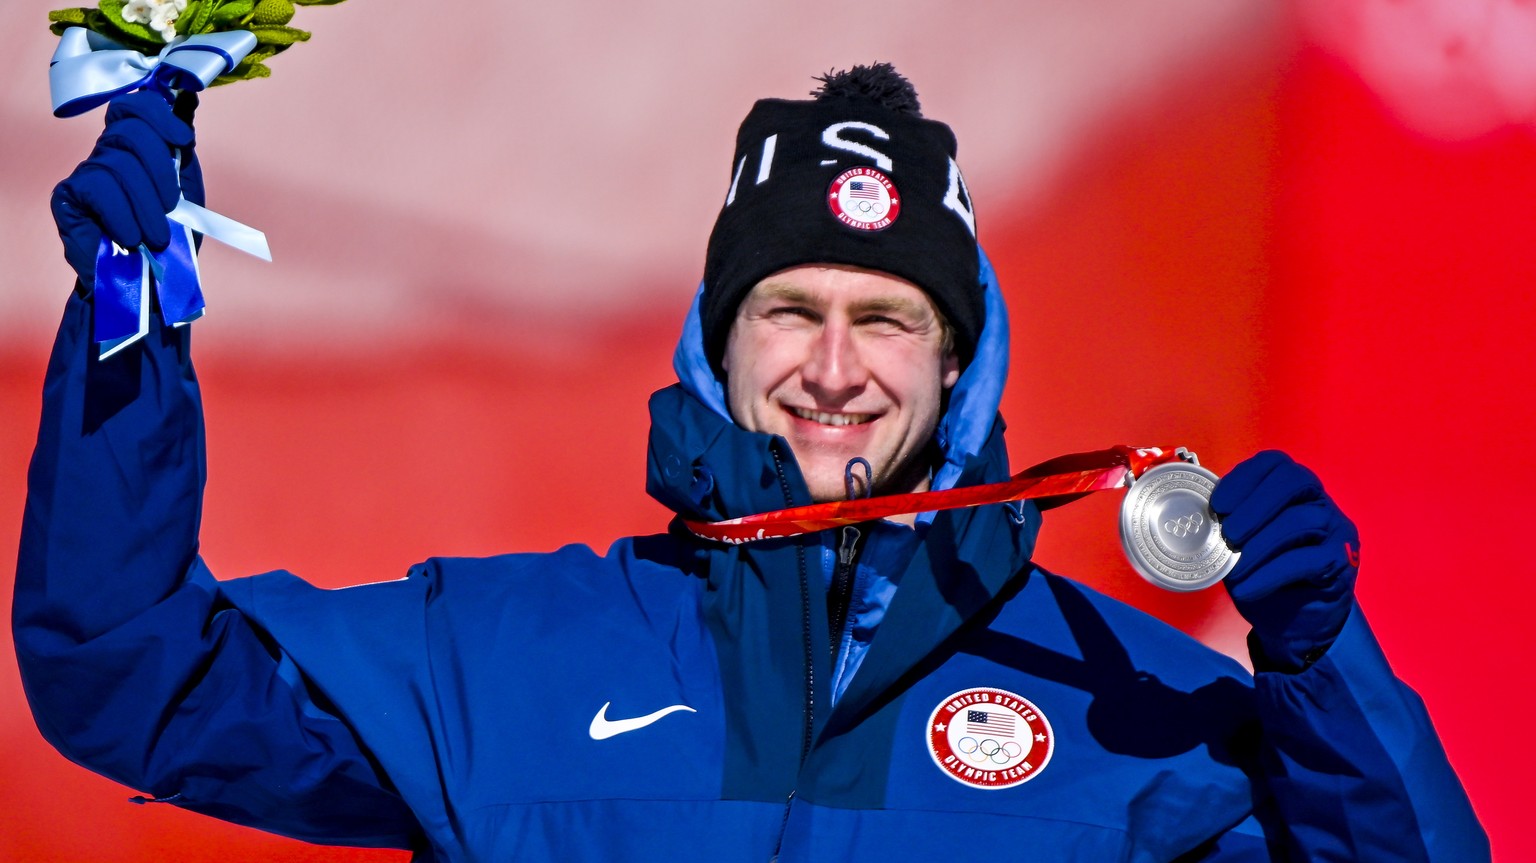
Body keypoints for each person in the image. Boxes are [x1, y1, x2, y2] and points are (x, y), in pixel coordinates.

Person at [15, 64, 1488, 861]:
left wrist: (1321, 668)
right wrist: (128, 335)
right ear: (712, 345)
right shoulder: (502, 659)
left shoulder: (1139, 711)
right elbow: (131, 678)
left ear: (963, 364)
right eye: (789, 310)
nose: (834, 370)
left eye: (890, 321)